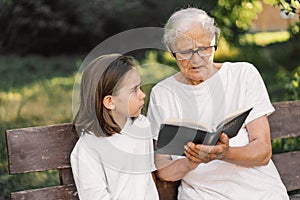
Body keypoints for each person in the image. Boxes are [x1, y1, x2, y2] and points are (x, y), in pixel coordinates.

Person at [147, 8, 289, 199]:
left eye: (205, 48)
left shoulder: (242, 75)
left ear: (214, 43)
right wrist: (192, 162)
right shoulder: (163, 93)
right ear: (171, 50)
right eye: (186, 51)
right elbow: (163, 169)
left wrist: (223, 153)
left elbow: (262, 151)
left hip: (261, 193)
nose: (196, 60)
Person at [71, 54, 159, 200]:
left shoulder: (142, 125)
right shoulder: (88, 149)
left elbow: (147, 181)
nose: (142, 95)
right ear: (110, 102)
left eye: (140, 87)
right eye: (134, 90)